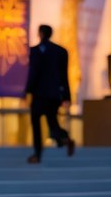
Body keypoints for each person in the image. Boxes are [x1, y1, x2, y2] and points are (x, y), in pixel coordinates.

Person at [23, 24, 74, 163]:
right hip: (53, 94)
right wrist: (66, 96)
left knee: (37, 123)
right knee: (52, 122)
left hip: (40, 95)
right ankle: (64, 139)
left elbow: (32, 74)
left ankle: (38, 153)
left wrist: (26, 91)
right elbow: (64, 76)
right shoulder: (60, 51)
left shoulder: (35, 51)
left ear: (40, 33)